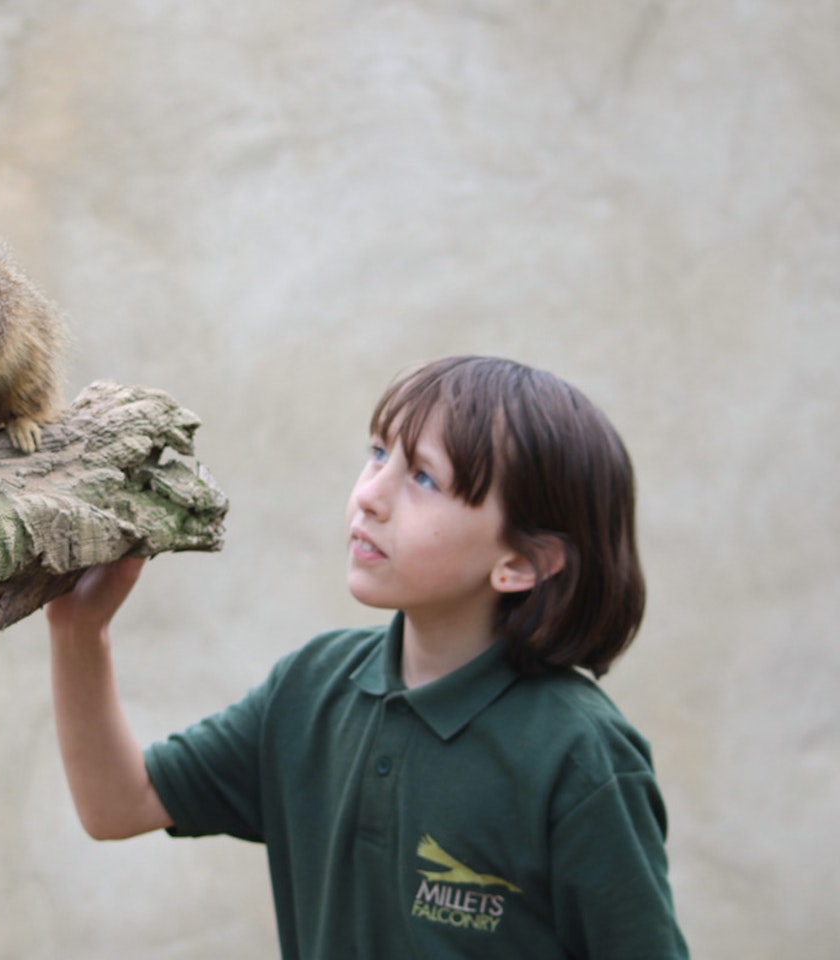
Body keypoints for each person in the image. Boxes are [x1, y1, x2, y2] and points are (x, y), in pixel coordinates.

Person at [45, 355, 688, 958]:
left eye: (424, 478)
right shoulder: (312, 687)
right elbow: (119, 804)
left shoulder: (580, 756)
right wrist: (79, 631)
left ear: (520, 563)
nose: (370, 495)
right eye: (378, 453)